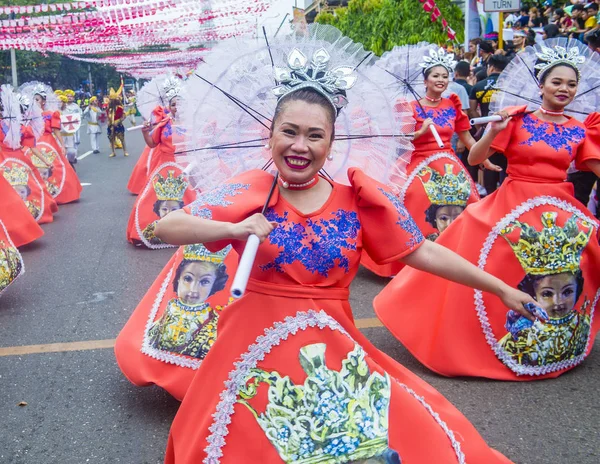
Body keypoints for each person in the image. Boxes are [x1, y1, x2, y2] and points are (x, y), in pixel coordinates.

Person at [156, 28, 534, 462]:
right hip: (249, 352)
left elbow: (423, 251)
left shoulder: (356, 196)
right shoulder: (252, 190)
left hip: (332, 351)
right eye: (289, 132)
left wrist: (500, 288)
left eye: (315, 135)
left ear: (332, 143)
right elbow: (169, 227)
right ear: (270, 136)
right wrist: (233, 230)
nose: (300, 146)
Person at [374, 41, 600, 381]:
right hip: (511, 199)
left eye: (571, 84)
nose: (564, 89)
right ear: (541, 85)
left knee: (579, 258)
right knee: (482, 253)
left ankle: (554, 337)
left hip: (560, 206)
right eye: (556, 82)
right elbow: (476, 159)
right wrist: (493, 130)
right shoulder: (515, 119)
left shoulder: (582, 129)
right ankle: (473, 336)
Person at [114, 243, 236, 400]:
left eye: (204, 282)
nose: (193, 289)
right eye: (187, 279)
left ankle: (194, 382)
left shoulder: (212, 320)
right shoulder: (173, 306)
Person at [26, 83, 82, 204]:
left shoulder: (51, 114)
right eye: (33, 99)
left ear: (43, 101)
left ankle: (63, 194)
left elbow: (56, 131)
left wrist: (62, 145)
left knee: (57, 167)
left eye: (37, 99)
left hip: (49, 143)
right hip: (34, 145)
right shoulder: (28, 116)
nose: (35, 102)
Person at [469, 55, 510, 195]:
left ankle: (490, 195)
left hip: (488, 129)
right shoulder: (509, 86)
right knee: (506, 165)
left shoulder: (478, 87)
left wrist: (481, 127)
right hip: (508, 129)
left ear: (490, 67)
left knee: (488, 163)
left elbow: (472, 110)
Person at [125, 166, 196, 248]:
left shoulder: (185, 227)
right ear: (158, 210)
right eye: (164, 209)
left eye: (174, 210)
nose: (168, 213)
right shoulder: (150, 230)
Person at [106, 86, 128, 158]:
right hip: (110, 126)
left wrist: (118, 121)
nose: (111, 101)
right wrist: (108, 122)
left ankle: (125, 151)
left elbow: (124, 116)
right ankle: (113, 152)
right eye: (111, 100)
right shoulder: (109, 109)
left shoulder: (120, 108)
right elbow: (107, 116)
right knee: (111, 139)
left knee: (122, 138)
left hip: (118, 125)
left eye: (113, 100)